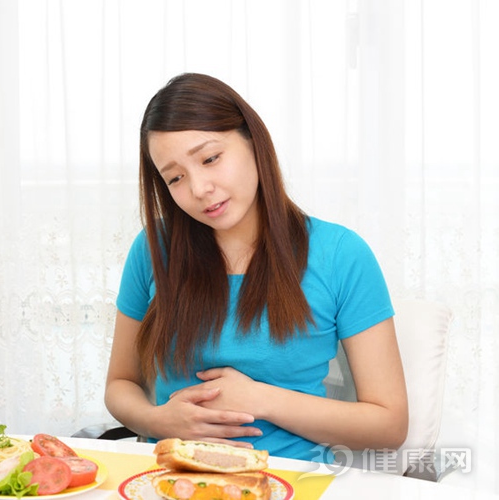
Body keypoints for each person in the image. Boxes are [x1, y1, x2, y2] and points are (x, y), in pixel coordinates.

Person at [104, 73, 408, 462]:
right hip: (170, 478)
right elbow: (120, 383)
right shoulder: (153, 249)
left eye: (211, 158)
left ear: (253, 140)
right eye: (176, 178)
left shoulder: (340, 254)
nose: (199, 188)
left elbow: (389, 424)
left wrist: (261, 398)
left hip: (291, 480)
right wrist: (158, 420)